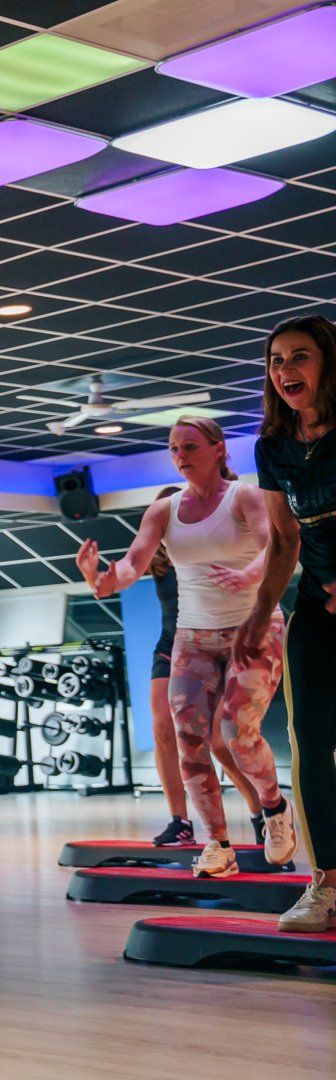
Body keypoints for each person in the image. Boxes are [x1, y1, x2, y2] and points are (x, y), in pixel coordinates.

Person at [78, 417, 294, 878]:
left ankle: (275, 810)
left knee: (238, 732)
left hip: (253, 628)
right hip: (193, 635)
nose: (180, 455)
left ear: (218, 450)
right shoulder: (163, 511)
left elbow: (271, 546)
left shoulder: (245, 497)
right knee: (190, 740)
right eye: (174, 448)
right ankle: (217, 843)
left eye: (190, 446)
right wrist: (99, 577)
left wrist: (249, 575)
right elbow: (132, 566)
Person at [237, 313, 336, 932]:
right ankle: (325, 884)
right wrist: (258, 613)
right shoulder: (273, 447)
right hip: (315, 612)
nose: (284, 371)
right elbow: (283, 541)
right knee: (309, 743)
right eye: (275, 361)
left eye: (298, 357)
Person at [139, 485, 266, 848]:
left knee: (218, 741)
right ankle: (179, 821)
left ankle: (260, 811)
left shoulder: (214, 552)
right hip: (171, 645)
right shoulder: (160, 560)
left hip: (218, 645)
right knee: (164, 728)